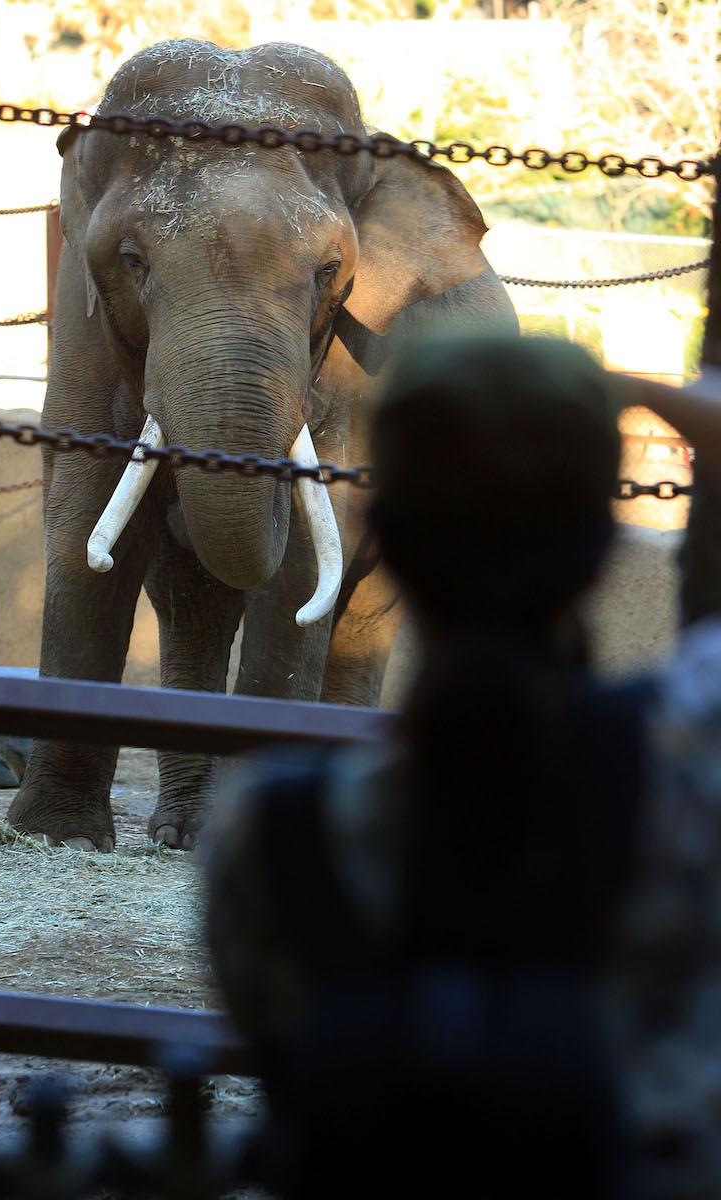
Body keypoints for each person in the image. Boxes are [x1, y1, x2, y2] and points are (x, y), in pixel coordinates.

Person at [207, 335, 721, 1199]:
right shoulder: (694, 764)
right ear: (602, 546)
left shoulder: (264, 828)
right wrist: (631, 389)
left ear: (387, 543)